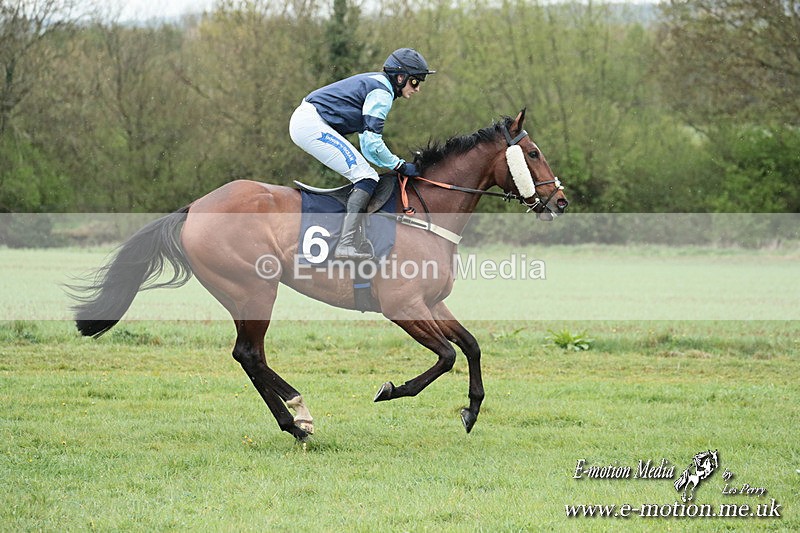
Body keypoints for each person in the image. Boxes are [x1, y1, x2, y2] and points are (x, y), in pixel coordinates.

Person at [289, 48, 435, 260]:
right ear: (401, 77)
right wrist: (399, 165)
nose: (418, 88)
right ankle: (345, 244)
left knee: (366, 174)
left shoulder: (380, 85)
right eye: (415, 82)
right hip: (310, 124)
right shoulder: (382, 93)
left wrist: (394, 164)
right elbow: (371, 143)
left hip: (309, 121)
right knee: (366, 176)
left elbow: (368, 147)